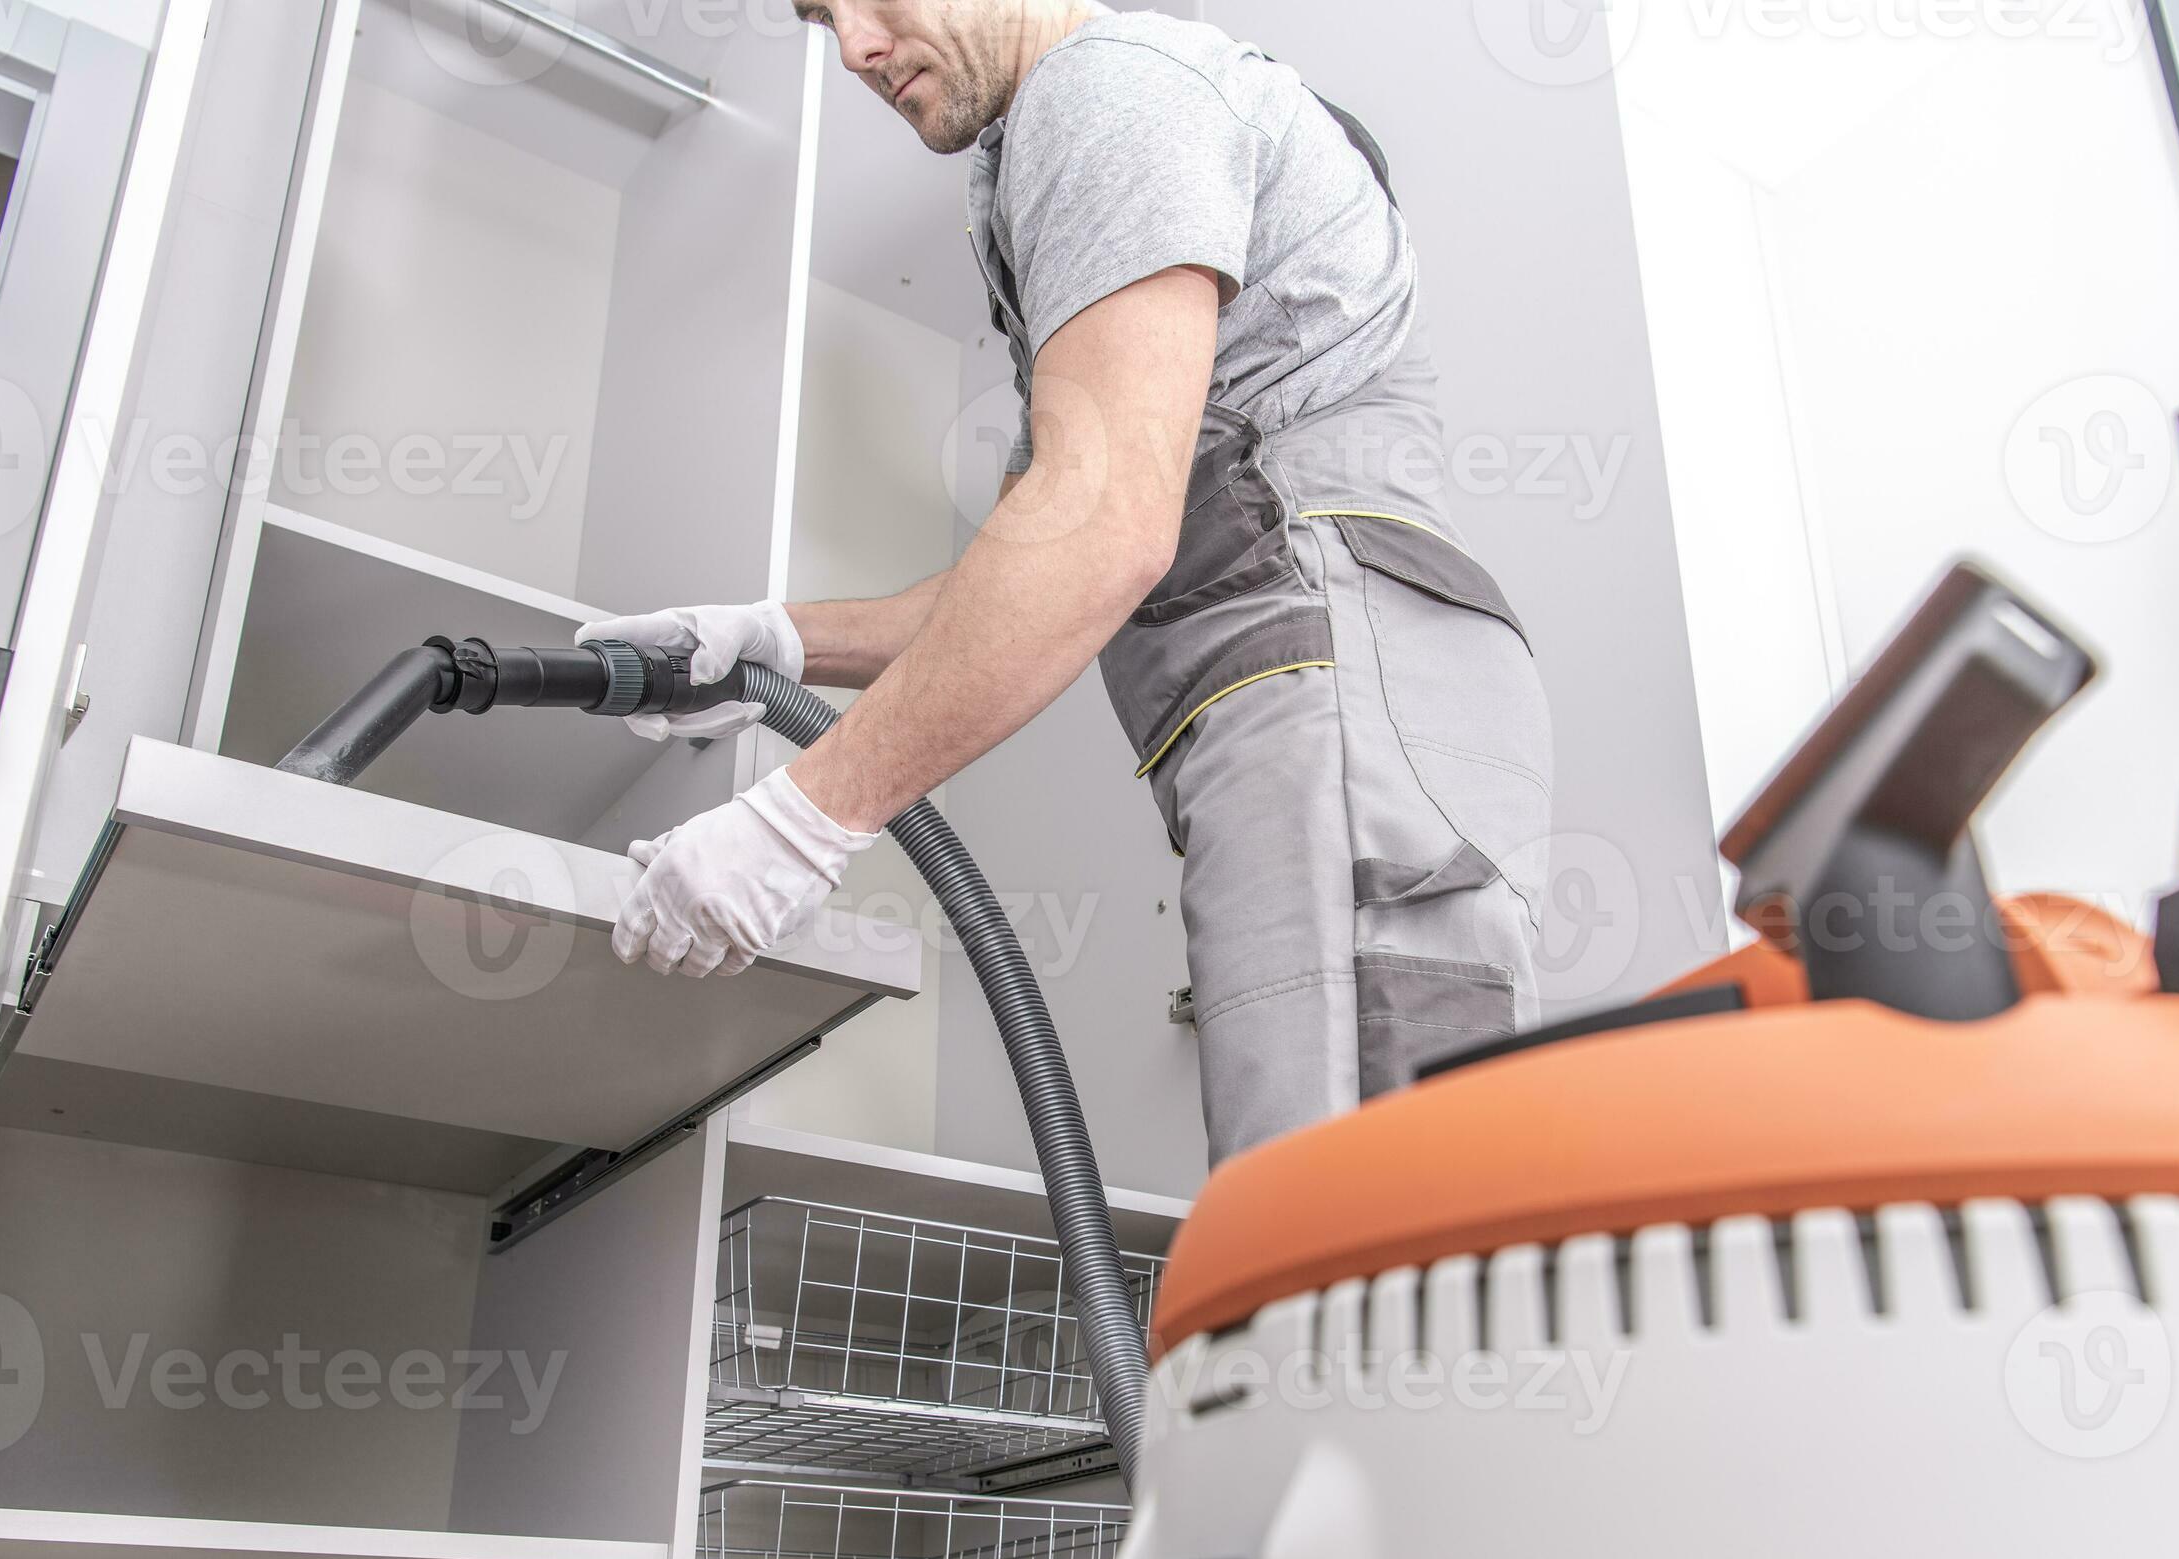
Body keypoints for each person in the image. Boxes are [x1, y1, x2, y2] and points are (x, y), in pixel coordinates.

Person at [586, 0, 1552, 1164]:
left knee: (1342, 1226)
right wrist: (764, 644)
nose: (853, 50)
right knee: (1351, 1209)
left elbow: (1101, 530)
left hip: (1338, 694)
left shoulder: (1112, 92)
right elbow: (1023, 571)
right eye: (820, 18)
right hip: (1334, 699)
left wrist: (802, 821)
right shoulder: (1077, 144)